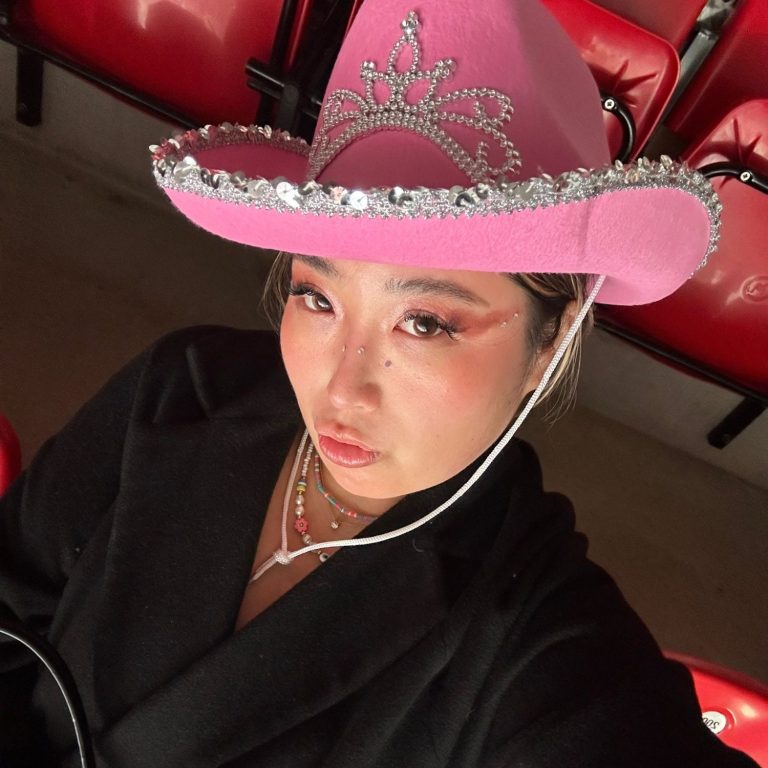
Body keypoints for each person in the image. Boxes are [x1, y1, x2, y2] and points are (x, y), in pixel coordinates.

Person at [0, 0, 758, 766]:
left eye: (425, 322)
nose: (342, 388)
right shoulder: (184, 386)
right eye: (317, 297)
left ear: (550, 342)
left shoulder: (536, 640)